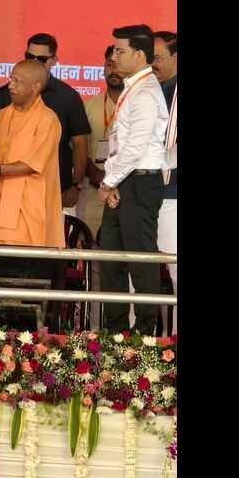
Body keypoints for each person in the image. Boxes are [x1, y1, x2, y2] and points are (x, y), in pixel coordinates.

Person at [97, 24, 169, 334]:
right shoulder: (133, 87)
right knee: (112, 260)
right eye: (113, 50)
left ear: (139, 54)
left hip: (139, 182)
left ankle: (144, 337)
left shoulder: (147, 91)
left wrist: (108, 182)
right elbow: (120, 145)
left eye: (120, 50)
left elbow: (136, 148)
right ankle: (114, 334)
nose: (113, 56)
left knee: (140, 261)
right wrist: (112, 181)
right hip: (124, 180)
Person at [0, 59, 64, 248]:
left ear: (35, 87)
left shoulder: (47, 120)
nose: (11, 86)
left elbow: (33, 164)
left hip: (25, 210)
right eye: (11, 79)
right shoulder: (1, 115)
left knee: (18, 261)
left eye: (18, 81)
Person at [78, 45, 123, 327]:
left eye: (117, 64)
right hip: (93, 192)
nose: (113, 70)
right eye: (108, 64)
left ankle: (123, 330)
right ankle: (94, 330)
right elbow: (78, 147)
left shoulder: (136, 104)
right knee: (94, 265)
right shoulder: (88, 106)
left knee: (124, 263)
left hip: (124, 195)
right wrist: (95, 175)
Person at [152, 31, 178, 335]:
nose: (152, 64)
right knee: (138, 273)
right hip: (145, 194)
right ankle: (136, 348)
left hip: (173, 195)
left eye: (157, 58)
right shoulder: (149, 89)